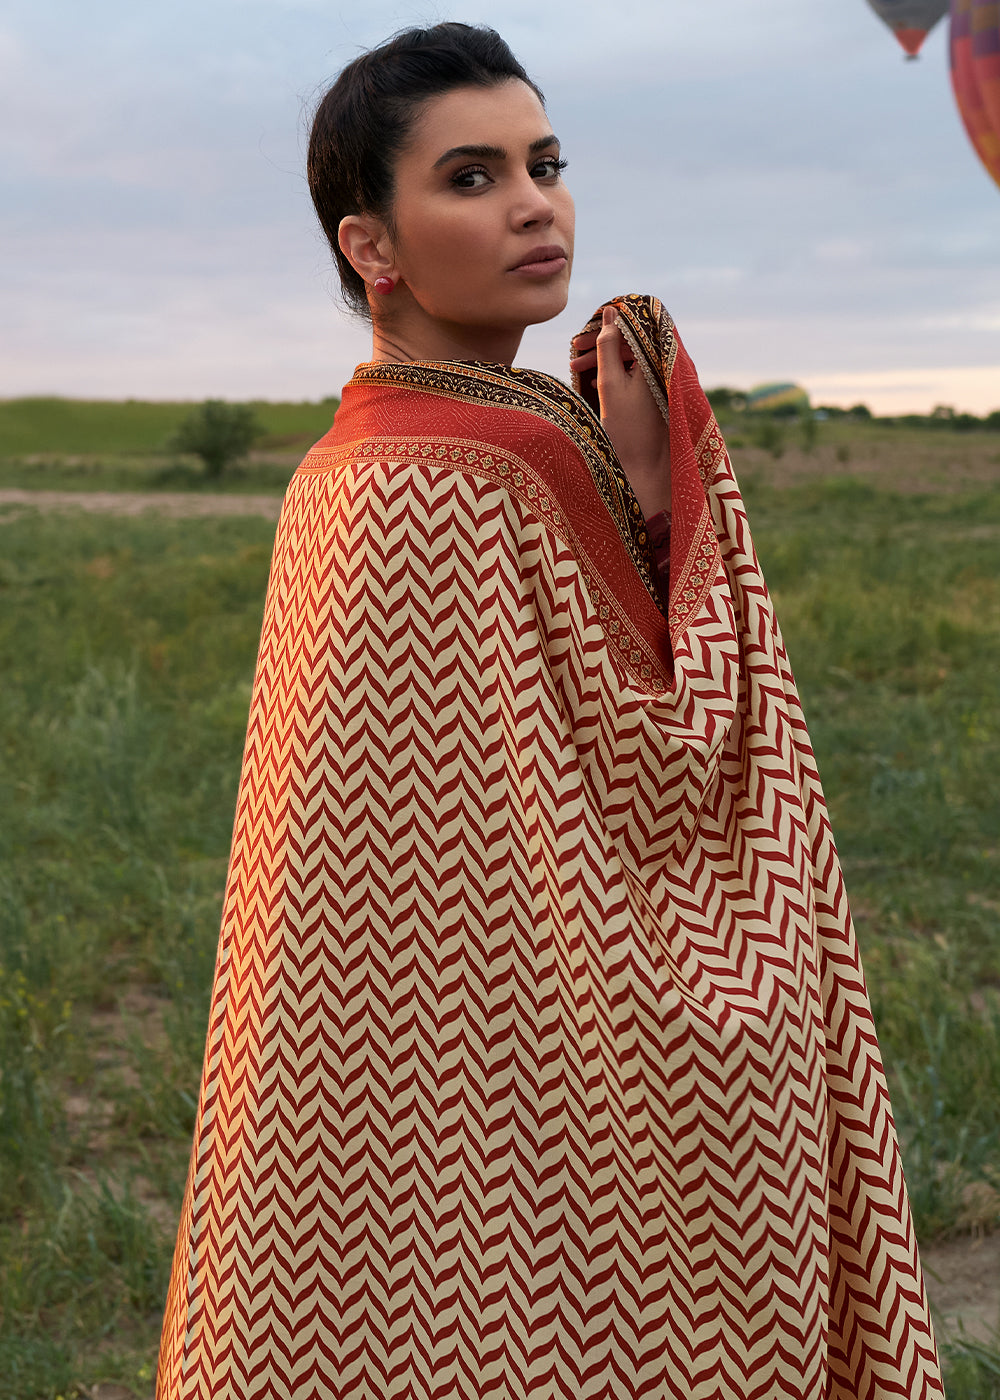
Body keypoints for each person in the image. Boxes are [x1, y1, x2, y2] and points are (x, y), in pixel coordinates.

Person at [157, 23, 944, 1400]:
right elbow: (672, 760)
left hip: (375, 1097)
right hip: (570, 1079)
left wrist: (640, 486)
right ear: (371, 247)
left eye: (546, 161)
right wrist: (660, 501)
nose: (535, 203)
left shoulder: (346, 465)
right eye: (471, 176)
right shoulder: (474, 463)